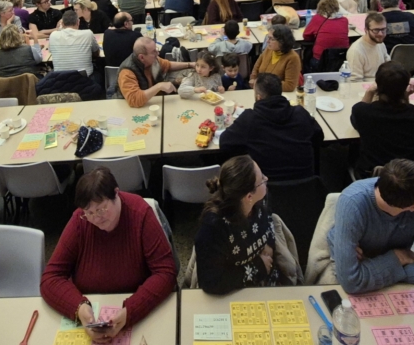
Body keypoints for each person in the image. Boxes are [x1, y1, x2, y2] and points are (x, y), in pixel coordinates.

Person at [40, 167, 176, 334]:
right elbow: (51, 278)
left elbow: (166, 272)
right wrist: (80, 309)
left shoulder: (140, 214)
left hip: (137, 311)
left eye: (101, 209)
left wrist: (131, 311)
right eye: (89, 212)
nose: (96, 218)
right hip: (93, 308)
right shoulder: (80, 221)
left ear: (116, 193)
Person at [330, 159, 414, 294]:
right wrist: (397, 258)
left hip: (372, 266)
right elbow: (351, 282)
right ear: (413, 207)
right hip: (348, 258)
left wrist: (376, 271)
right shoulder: (352, 202)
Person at [195, 156, 282, 294]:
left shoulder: (261, 199)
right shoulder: (213, 227)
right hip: (233, 292)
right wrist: (258, 266)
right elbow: (211, 282)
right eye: (261, 179)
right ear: (249, 197)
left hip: (267, 281)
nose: (266, 179)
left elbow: (269, 219)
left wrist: (269, 244)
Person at [221, 73, 323, 181]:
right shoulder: (300, 113)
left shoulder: (250, 119)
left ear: (258, 97)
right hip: (306, 184)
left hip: (265, 187)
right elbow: (319, 137)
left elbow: (224, 143)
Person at [351, 63, 414, 178]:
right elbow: (406, 111)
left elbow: (356, 117)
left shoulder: (364, 112)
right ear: (405, 87)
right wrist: (405, 97)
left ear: (378, 85)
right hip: (409, 175)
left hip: (373, 175)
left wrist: (369, 92)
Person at [117, 37, 194, 107]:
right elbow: (135, 100)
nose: (158, 53)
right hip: (135, 109)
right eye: (153, 52)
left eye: (156, 49)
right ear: (142, 57)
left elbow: (167, 65)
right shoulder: (127, 72)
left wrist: (190, 64)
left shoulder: (152, 60)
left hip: (154, 102)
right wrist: (159, 86)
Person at [49, 10, 101, 79]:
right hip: (84, 78)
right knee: (99, 72)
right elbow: (96, 53)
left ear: (62, 23)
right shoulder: (88, 33)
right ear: (78, 22)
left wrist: (59, 29)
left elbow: (51, 52)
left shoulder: (53, 35)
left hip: (61, 79)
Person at [249, 25, 302, 91]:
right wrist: (253, 78)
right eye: (268, 38)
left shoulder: (293, 58)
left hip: (278, 94)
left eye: (271, 39)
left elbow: (289, 86)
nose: (267, 41)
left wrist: (263, 84)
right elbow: (256, 67)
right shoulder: (269, 49)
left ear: (282, 41)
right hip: (262, 91)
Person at [303, 0, 350, 68]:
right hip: (341, 59)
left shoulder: (317, 18)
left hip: (320, 60)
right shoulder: (344, 20)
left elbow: (306, 36)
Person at [346, 12, 390, 81]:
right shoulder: (356, 51)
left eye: (383, 29)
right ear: (366, 30)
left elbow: (388, 66)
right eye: (376, 30)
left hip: (382, 83)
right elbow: (355, 81)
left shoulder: (380, 43)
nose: (381, 34)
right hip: (367, 86)